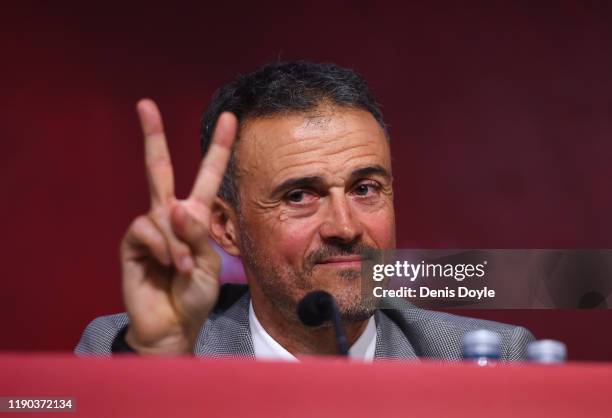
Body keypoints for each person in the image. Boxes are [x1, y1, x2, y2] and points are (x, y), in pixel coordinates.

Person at [76, 61, 534, 360]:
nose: (345, 226)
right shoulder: (121, 351)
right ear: (226, 227)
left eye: (366, 188)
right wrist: (155, 368)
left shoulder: (489, 359)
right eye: (299, 196)